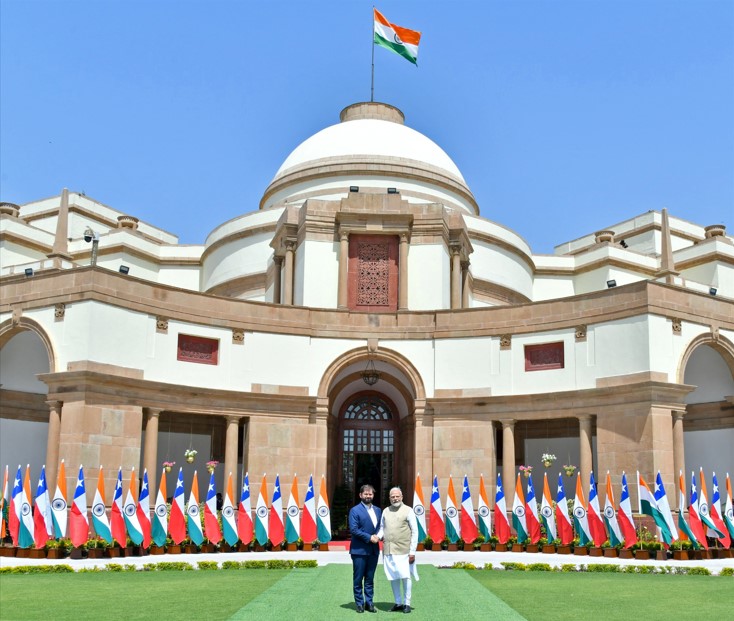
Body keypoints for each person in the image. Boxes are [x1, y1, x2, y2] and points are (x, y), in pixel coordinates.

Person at [377, 487, 418, 614]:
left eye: (397, 496)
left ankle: (407, 603)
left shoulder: (408, 510)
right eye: (392, 497)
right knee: (393, 576)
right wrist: (377, 537)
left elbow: (415, 531)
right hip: (388, 550)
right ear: (389, 498)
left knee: (405, 576)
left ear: (402, 497)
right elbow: (382, 528)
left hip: (404, 550)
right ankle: (398, 602)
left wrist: (412, 552)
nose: (395, 499)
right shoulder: (385, 511)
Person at [348, 484, 382, 614]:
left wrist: (378, 536)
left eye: (370, 494)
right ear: (360, 495)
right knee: (358, 579)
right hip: (359, 551)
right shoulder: (355, 510)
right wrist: (369, 537)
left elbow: (381, 527)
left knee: (370, 578)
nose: (368, 496)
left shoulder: (378, 510)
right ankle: (359, 604)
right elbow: (354, 529)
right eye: (366, 494)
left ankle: (369, 603)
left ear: (373, 495)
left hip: (373, 550)